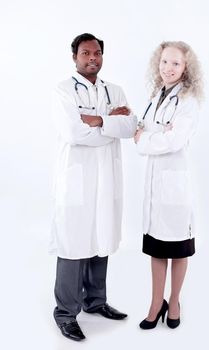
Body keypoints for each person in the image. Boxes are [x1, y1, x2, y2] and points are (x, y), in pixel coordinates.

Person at [50, 33, 137, 341]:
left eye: (97, 52)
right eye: (85, 53)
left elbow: (130, 126)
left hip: (107, 179)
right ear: (75, 56)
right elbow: (73, 132)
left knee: (102, 238)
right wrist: (109, 121)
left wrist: (96, 120)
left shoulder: (115, 90)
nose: (92, 58)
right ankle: (65, 313)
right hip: (78, 180)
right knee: (74, 244)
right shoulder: (64, 90)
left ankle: (95, 302)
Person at [134, 41, 203, 330]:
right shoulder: (156, 96)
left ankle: (174, 301)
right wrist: (152, 134)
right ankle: (155, 303)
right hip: (155, 183)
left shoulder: (188, 102)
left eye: (175, 63)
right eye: (164, 62)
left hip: (174, 185)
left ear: (186, 68)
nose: (168, 68)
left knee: (178, 248)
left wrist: (146, 139)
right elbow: (150, 131)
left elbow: (174, 141)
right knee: (157, 248)